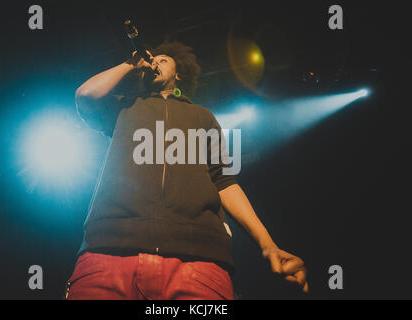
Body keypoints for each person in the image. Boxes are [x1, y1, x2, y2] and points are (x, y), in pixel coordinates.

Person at [65, 41, 308, 300]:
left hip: (198, 260)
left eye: (164, 60)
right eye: (152, 60)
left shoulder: (203, 116)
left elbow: (224, 180)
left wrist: (267, 244)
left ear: (179, 74)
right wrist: (131, 64)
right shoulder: (123, 107)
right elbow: (86, 96)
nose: (155, 63)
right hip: (108, 251)